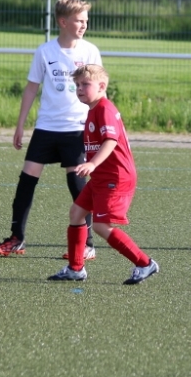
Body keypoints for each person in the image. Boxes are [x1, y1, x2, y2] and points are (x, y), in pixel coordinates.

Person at [0, 0, 101, 259]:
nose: (84, 25)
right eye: (79, 20)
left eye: (86, 20)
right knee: (26, 181)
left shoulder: (90, 52)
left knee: (78, 185)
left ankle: (87, 244)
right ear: (63, 22)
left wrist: (99, 126)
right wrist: (20, 125)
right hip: (46, 128)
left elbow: (99, 91)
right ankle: (16, 238)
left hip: (77, 129)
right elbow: (32, 88)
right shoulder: (45, 51)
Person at [48, 64, 159, 285]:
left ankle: (144, 263)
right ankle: (75, 269)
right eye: (77, 85)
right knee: (76, 213)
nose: (80, 88)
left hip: (115, 177)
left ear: (101, 86)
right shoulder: (94, 109)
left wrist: (92, 163)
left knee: (100, 226)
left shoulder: (104, 109)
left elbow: (110, 141)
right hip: (101, 177)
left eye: (85, 84)